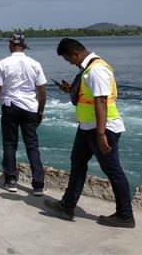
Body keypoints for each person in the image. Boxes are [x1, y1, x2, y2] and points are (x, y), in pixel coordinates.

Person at [44, 38, 135, 228]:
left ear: (75, 54)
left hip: (102, 128)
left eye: (68, 58)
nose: (69, 62)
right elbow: (89, 97)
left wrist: (101, 134)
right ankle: (67, 206)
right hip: (87, 127)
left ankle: (125, 215)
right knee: (77, 163)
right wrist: (70, 90)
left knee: (112, 170)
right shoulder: (87, 69)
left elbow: (101, 101)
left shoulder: (96, 70)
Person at [0, 33, 47, 194]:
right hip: (30, 108)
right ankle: (39, 184)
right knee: (32, 145)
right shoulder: (35, 64)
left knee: (10, 143)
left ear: (11, 45)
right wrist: (40, 110)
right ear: (24, 46)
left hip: (10, 106)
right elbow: (42, 90)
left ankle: (11, 179)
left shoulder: (3, 63)